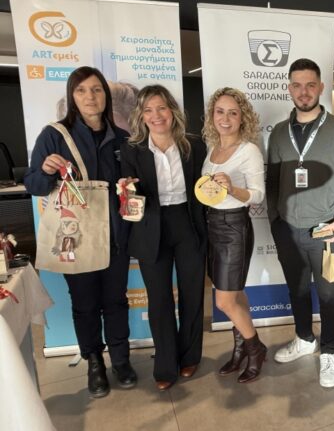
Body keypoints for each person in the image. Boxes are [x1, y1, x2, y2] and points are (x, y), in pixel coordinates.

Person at [24, 66, 136, 398]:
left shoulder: (123, 138)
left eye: (97, 90)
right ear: (72, 96)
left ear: (106, 96)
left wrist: (132, 186)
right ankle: (94, 363)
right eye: (82, 90)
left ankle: (121, 360)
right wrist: (46, 171)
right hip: (74, 237)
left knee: (115, 301)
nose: (90, 97)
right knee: (85, 303)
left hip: (115, 236)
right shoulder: (54, 135)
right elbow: (34, 185)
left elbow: (132, 188)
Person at [267, 58, 334, 388]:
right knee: (297, 290)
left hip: (327, 232)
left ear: (321, 87)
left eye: (310, 85)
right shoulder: (279, 133)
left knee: (330, 294)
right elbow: (272, 182)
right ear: (289, 88)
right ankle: (305, 338)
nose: (303, 92)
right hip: (288, 230)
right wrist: (275, 221)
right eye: (297, 85)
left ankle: (330, 352)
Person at [120, 85, 207, 391]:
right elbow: (131, 197)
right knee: (159, 299)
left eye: (161, 108)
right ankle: (165, 365)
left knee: (192, 293)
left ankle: (190, 356)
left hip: (188, 224)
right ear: (141, 116)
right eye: (148, 110)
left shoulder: (194, 145)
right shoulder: (132, 149)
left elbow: (203, 188)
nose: (156, 116)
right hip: (151, 227)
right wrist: (127, 189)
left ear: (172, 110)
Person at [201, 87, 267, 383]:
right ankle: (240, 349)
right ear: (212, 115)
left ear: (243, 118)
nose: (225, 118)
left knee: (224, 301)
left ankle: (255, 349)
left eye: (233, 113)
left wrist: (232, 188)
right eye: (220, 112)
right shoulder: (212, 148)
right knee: (236, 294)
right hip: (211, 225)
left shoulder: (248, 150)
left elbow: (258, 195)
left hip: (233, 227)